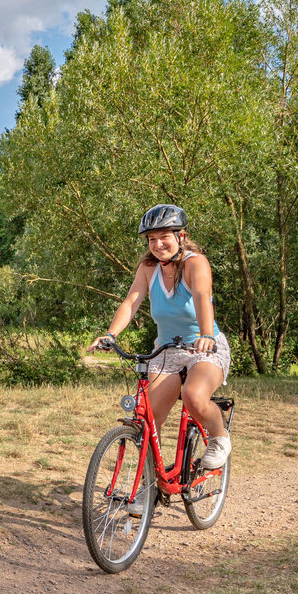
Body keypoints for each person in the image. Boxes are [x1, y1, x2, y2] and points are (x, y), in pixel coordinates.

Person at [89, 204, 233, 488]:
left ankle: (219, 438)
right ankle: (147, 487)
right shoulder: (148, 268)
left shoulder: (195, 263)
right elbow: (132, 301)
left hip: (205, 347)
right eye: (151, 239)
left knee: (193, 397)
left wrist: (206, 334)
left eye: (164, 237)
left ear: (181, 236)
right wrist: (111, 334)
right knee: (148, 418)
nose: (157, 244)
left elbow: (203, 298)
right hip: (167, 350)